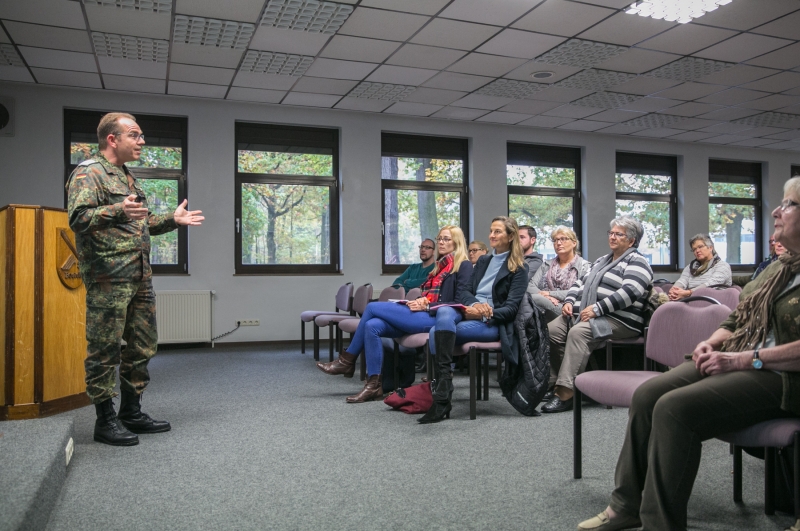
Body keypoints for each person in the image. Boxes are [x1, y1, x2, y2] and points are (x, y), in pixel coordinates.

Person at [577, 177, 800, 531]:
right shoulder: (778, 268)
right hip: (741, 356)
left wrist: (744, 359)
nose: (776, 210)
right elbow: (738, 317)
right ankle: (625, 506)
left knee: (673, 408)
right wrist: (712, 341)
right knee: (648, 395)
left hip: (782, 376)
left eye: (789, 204)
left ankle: (659, 524)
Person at [67, 112, 204, 446]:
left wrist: (172, 220)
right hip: (108, 278)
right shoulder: (89, 172)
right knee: (104, 349)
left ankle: (131, 412)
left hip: (140, 276)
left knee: (142, 346)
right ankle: (105, 420)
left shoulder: (128, 177)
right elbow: (78, 218)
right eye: (134, 135)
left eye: (141, 135)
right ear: (112, 139)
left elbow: (143, 223)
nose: (142, 141)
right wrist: (118, 211)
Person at [317, 226, 473, 403]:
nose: (441, 242)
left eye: (446, 239)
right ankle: (374, 385)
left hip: (437, 318)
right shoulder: (439, 265)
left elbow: (460, 302)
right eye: (440, 239)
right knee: (371, 326)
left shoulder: (464, 265)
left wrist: (428, 305)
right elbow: (429, 294)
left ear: (457, 242)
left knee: (372, 308)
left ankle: (347, 361)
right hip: (424, 312)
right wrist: (420, 300)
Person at [421, 216, 529, 423]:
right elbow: (465, 292)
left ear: (511, 236)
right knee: (444, 312)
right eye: (491, 231)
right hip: (469, 311)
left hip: (492, 322)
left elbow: (511, 309)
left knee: (435, 332)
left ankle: (442, 394)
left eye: (497, 231)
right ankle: (444, 389)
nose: (491, 235)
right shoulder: (483, 261)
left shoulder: (519, 268)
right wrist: (474, 305)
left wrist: (484, 312)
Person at [543, 216, 654, 414]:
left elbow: (630, 291)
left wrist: (598, 308)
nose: (612, 237)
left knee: (579, 333)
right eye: (611, 233)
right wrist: (569, 301)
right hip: (587, 314)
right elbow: (579, 283)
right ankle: (565, 383)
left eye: (619, 234)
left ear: (631, 241)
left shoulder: (638, 261)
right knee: (551, 330)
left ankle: (565, 393)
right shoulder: (603, 261)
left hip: (620, 320)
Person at [527, 226, 589, 322]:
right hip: (546, 306)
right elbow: (530, 286)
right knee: (529, 298)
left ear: (574, 243)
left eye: (563, 239)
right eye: (555, 240)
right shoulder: (547, 264)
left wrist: (550, 294)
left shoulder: (584, 266)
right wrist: (547, 297)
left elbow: (581, 291)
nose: (558, 243)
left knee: (536, 298)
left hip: (570, 308)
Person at [668, 234, 732, 301]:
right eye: (694, 249)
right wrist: (674, 291)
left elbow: (710, 285)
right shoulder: (690, 267)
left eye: (700, 247)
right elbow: (682, 281)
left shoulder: (723, 266)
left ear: (710, 248)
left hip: (713, 301)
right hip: (690, 301)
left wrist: (688, 293)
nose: (697, 251)